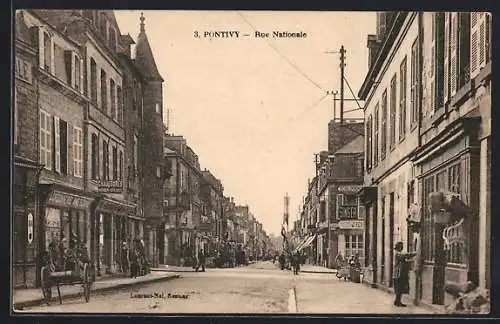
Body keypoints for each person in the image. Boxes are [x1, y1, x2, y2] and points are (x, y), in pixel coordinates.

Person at [393, 241, 416, 307]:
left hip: (400, 273)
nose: (402, 247)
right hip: (398, 274)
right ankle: (397, 302)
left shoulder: (398, 253)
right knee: (399, 289)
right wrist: (415, 253)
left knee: (400, 288)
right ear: (399, 247)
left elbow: (404, 260)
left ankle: (397, 301)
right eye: (401, 246)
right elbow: (405, 256)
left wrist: (411, 260)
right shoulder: (397, 254)